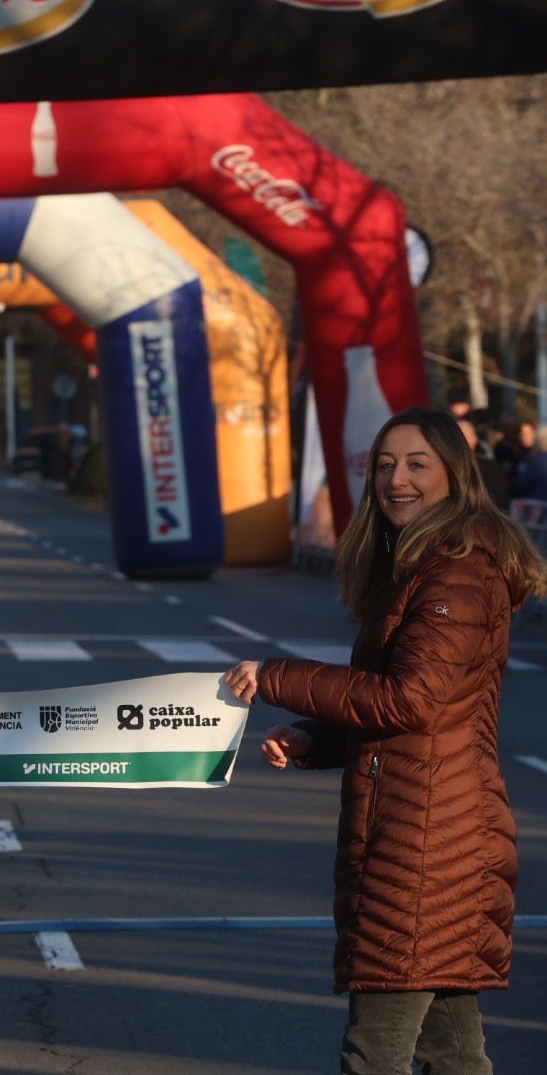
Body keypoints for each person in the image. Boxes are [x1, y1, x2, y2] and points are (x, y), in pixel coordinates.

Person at [222, 407, 544, 1075]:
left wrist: (277, 676)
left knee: (375, 1054)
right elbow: (423, 707)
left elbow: (412, 700)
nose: (397, 479)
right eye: (385, 466)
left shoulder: (456, 573)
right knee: (454, 1053)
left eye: (417, 464)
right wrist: (316, 740)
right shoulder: (429, 565)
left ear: (455, 475)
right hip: (429, 832)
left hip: (429, 844)